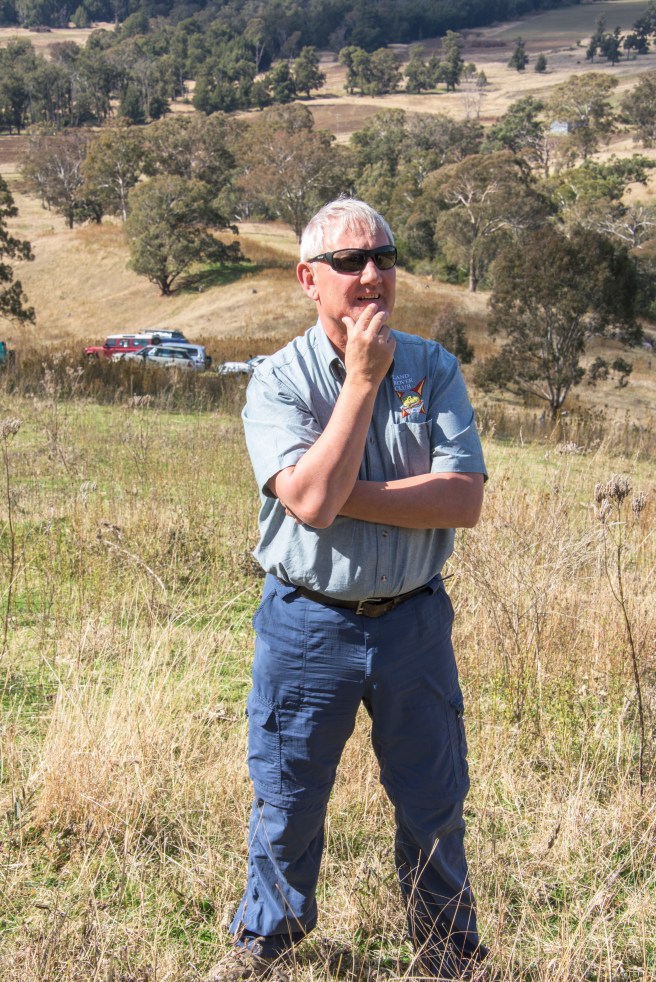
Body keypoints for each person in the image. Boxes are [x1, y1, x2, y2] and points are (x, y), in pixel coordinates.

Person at [206, 198, 488, 982]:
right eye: (350, 262)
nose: (372, 275)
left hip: (414, 625)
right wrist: (362, 383)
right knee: (289, 802)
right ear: (309, 280)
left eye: (385, 258)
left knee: (434, 800)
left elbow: (462, 501)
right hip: (308, 624)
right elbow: (305, 507)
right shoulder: (278, 381)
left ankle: (447, 956)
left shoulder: (434, 369)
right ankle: (267, 945)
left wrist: (333, 492)